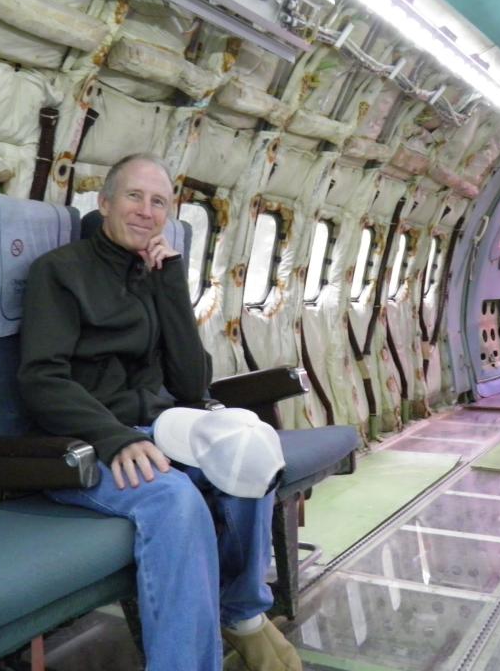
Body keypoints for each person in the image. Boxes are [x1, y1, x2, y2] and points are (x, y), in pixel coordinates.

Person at [18, 152, 302, 671]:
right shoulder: (60, 273)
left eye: (159, 202)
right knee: (175, 500)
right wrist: (115, 439)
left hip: (161, 426)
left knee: (251, 453)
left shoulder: (155, 277)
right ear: (104, 203)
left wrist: (171, 284)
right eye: (134, 196)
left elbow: (192, 383)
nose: (147, 212)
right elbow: (41, 380)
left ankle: (241, 616)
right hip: (82, 443)